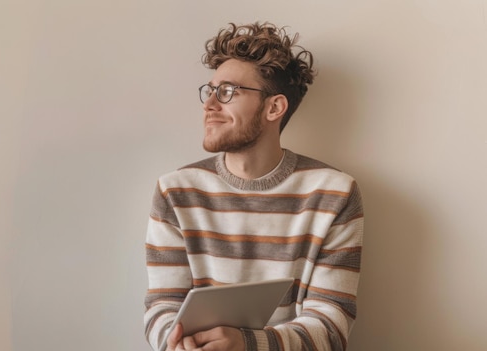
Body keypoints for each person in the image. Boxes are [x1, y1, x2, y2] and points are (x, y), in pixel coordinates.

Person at [144, 22, 364, 351]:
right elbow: (161, 307)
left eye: (228, 91)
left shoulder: (334, 194)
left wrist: (248, 344)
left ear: (274, 107)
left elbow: (331, 327)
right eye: (210, 90)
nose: (209, 105)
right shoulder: (175, 192)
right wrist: (177, 343)